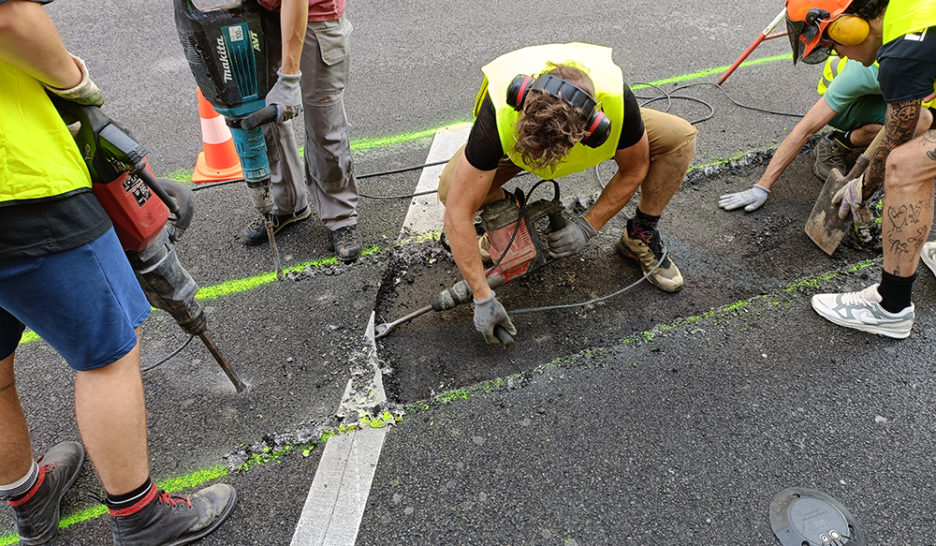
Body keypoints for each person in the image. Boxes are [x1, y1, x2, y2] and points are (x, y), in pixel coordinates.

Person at [0, 1, 236, 544]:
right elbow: (11, 16)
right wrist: (76, 83)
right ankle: (141, 516)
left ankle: (27, 495)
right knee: (108, 354)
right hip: (21, 186)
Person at [438, 43, 697, 344]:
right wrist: (482, 297)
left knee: (679, 139)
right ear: (520, 102)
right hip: (516, 144)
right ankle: (503, 230)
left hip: (585, 125)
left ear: (594, 129)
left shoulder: (615, 103)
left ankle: (640, 235)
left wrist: (589, 226)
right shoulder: (499, 112)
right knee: (450, 188)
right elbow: (457, 210)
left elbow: (634, 168)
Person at [783, 0, 936, 339]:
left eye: (833, 43)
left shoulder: (903, 52)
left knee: (906, 165)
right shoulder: (910, 13)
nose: (837, 55)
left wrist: (862, 189)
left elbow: (898, 135)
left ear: (850, 26)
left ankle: (891, 307)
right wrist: (863, 176)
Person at [719, 54, 932, 212]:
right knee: (920, 119)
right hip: (847, 105)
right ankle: (839, 143)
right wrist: (762, 187)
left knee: (922, 121)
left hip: (893, 91)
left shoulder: (923, 62)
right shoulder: (862, 72)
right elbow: (805, 129)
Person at [244, 0, 363, 264]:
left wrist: (288, 78)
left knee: (325, 125)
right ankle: (287, 204)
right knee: (268, 115)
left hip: (315, 16)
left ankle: (341, 215)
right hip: (263, 12)